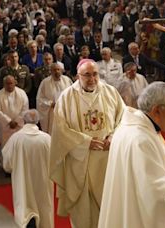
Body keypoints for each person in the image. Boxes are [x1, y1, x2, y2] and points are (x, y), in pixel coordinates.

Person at [98, 82, 165, 228]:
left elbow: (141, 170)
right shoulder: (141, 140)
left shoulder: (134, 127)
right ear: (157, 111)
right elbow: (158, 199)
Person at [50, 59, 125, 228]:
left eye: (95, 74)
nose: (92, 79)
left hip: (107, 160)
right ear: (78, 76)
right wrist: (86, 142)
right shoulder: (66, 97)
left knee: (108, 208)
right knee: (83, 213)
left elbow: (123, 119)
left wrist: (113, 137)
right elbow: (60, 130)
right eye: (87, 75)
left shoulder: (111, 92)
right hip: (79, 163)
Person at [2, 109, 54, 228]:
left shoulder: (15, 139)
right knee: (44, 210)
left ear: (24, 121)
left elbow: (7, 165)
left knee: (24, 210)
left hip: (23, 184)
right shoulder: (47, 139)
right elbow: (55, 164)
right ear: (38, 121)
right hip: (43, 184)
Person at [0, 75, 29, 148]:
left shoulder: (22, 93)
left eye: (11, 83)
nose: (9, 86)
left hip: (19, 126)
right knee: (7, 147)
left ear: (15, 83)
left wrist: (16, 121)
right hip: (5, 127)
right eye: (7, 83)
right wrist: (9, 121)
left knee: (19, 146)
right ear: (4, 84)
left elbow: (25, 108)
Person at [36, 63, 72, 134]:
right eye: (54, 70)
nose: (57, 72)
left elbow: (73, 95)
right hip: (52, 112)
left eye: (58, 69)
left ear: (61, 70)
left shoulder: (67, 80)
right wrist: (50, 103)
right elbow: (40, 99)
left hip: (65, 110)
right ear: (51, 71)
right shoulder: (45, 82)